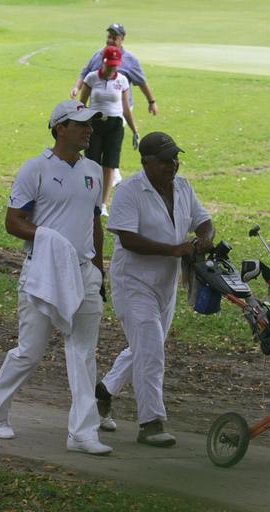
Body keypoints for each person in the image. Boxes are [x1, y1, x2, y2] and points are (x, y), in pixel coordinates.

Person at [0, 99, 112, 456]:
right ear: (60, 128)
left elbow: (94, 222)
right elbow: (13, 222)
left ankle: (83, 432)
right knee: (30, 351)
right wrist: (49, 237)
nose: (88, 130)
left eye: (90, 124)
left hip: (85, 273)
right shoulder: (34, 169)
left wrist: (99, 271)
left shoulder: (93, 171)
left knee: (83, 352)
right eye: (81, 124)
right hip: (43, 271)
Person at [95, 132, 215, 447]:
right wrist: (175, 250)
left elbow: (204, 221)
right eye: (165, 161)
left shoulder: (184, 188)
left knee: (145, 347)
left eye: (175, 158)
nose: (172, 165)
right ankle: (151, 422)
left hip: (166, 285)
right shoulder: (128, 192)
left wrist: (204, 238)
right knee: (150, 349)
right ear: (146, 162)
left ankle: (104, 393)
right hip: (133, 282)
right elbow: (127, 239)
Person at [80, 45, 138, 217]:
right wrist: (80, 125)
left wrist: (135, 130)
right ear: (103, 61)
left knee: (110, 166)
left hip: (115, 126)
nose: (113, 67)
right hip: (95, 124)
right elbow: (82, 105)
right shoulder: (91, 78)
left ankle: (103, 204)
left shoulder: (122, 80)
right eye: (110, 64)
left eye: (115, 64)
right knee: (92, 165)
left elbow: (126, 108)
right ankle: (90, 200)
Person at [70, 23, 158, 117]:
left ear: (122, 39)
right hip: (98, 106)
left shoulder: (131, 60)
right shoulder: (98, 54)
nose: (110, 40)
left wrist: (151, 102)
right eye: (109, 37)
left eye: (114, 38)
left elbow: (142, 82)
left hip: (121, 108)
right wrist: (76, 87)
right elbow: (85, 73)